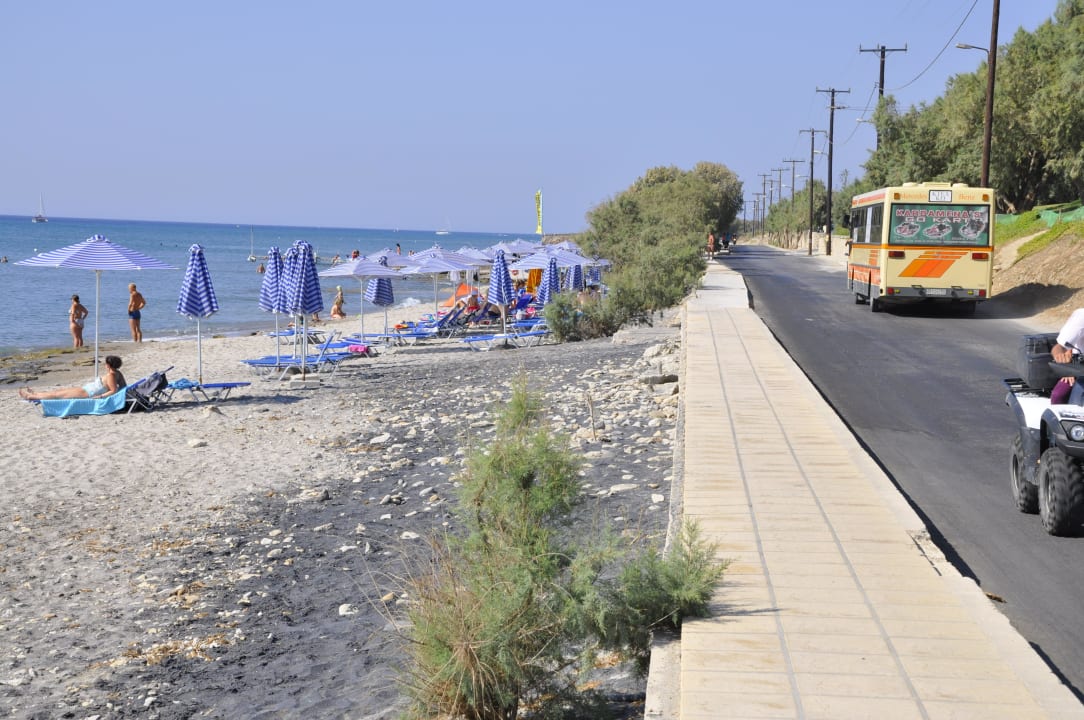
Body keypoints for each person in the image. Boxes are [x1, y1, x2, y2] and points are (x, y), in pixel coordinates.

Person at [19, 355, 126, 401]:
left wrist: (101, 396)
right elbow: (124, 386)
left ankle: (31, 397)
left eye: (105, 363)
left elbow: (114, 390)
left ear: (108, 365)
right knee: (59, 391)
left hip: (89, 393)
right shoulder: (118, 373)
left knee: (58, 395)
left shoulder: (111, 375)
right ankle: (36, 394)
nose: (104, 365)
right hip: (87, 389)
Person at [1050, 309, 1084, 403]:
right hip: (1080, 368)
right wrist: (1066, 368)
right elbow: (1059, 347)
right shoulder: (1082, 317)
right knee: (1058, 395)